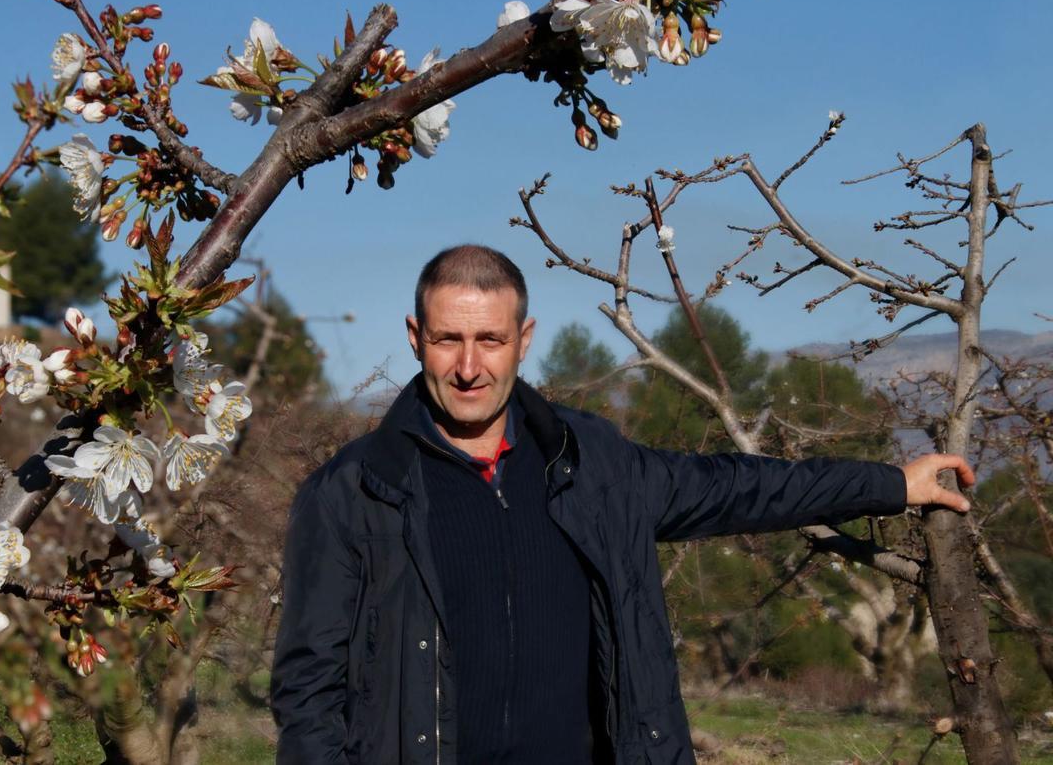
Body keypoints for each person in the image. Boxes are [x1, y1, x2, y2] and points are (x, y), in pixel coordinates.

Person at [270, 245, 973, 765]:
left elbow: (742, 487)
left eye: (490, 339)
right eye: (449, 338)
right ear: (416, 337)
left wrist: (890, 485)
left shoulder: (591, 465)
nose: (468, 366)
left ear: (524, 340)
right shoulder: (355, 491)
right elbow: (308, 694)